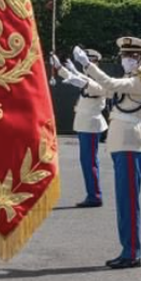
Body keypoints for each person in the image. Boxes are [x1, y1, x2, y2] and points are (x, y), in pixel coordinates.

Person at [74, 37, 141, 269]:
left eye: (130, 56)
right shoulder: (129, 79)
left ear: (140, 58)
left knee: (128, 202)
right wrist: (74, 75)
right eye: (124, 56)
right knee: (123, 201)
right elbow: (103, 88)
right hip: (121, 144)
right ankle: (127, 249)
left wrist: (87, 65)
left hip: (130, 144)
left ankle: (132, 252)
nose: (126, 60)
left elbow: (109, 83)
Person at [51, 49, 107, 208]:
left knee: (89, 162)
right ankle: (93, 194)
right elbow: (78, 77)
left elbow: (77, 80)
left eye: (89, 61)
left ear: (95, 63)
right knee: (87, 162)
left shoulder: (101, 83)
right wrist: (60, 68)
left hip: (90, 126)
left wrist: (63, 70)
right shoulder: (92, 79)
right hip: (85, 125)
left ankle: (94, 195)